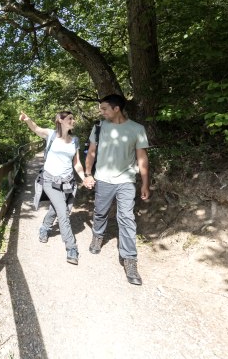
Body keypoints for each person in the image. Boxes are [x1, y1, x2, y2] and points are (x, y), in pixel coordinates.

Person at [82, 94, 150, 285]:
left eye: (104, 108)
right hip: (103, 179)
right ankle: (97, 236)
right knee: (100, 212)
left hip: (126, 180)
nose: (101, 112)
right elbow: (92, 152)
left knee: (126, 217)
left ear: (116, 108)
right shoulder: (99, 127)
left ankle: (129, 259)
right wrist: (88, 173)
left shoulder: (137, 129)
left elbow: (142, 158)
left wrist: (145, 183)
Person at [19, 110, 86, 265]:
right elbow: (36, 128)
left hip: (68, 182)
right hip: (50, 181)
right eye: (70, 118)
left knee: (57, 209)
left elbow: (76, 163)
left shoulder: (75, 140)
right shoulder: (50, 135)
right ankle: (71, 248)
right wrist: (28, 119)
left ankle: (44, 227)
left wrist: (84, 178)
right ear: (60, 120)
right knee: (63, 212)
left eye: (73, 118)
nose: (73, 120)